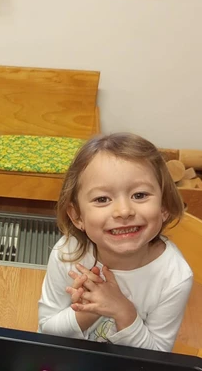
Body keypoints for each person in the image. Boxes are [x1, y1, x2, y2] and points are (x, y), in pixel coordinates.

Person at [38, 133, 193, 351]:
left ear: (164, 207)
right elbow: (46, 332)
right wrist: (89, 310)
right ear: (77, 216)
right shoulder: (68, 253)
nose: (124, 211)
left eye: (139, 195)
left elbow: (156, 357)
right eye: (102, 199)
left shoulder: (175, 276)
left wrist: (123, 311)